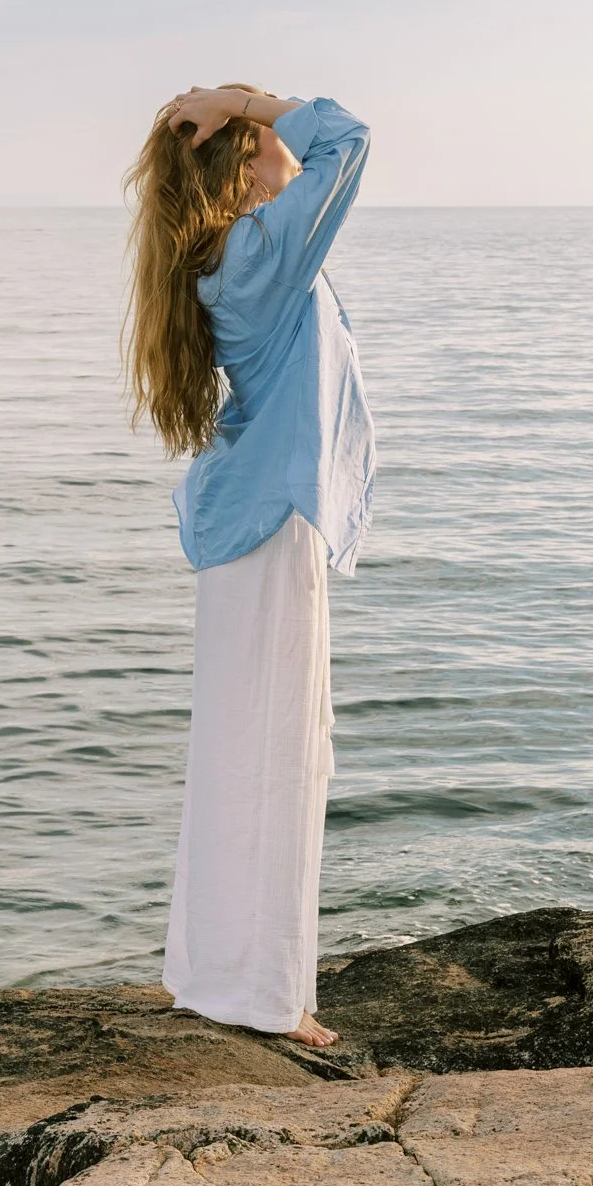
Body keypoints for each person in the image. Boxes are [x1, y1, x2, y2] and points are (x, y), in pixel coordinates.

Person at [123, 85, 374, 1048]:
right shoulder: (261, 253)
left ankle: (210, 974)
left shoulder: (230, 256)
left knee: (241, 753)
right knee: (277, 755)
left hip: (251, 525)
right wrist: (244, 99)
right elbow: (348, 139)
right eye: (264, 141)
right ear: (241, 165)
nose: (283, 146)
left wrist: (237, 115)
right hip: (267, 528)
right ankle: (265, 998)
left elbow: (323, 150)